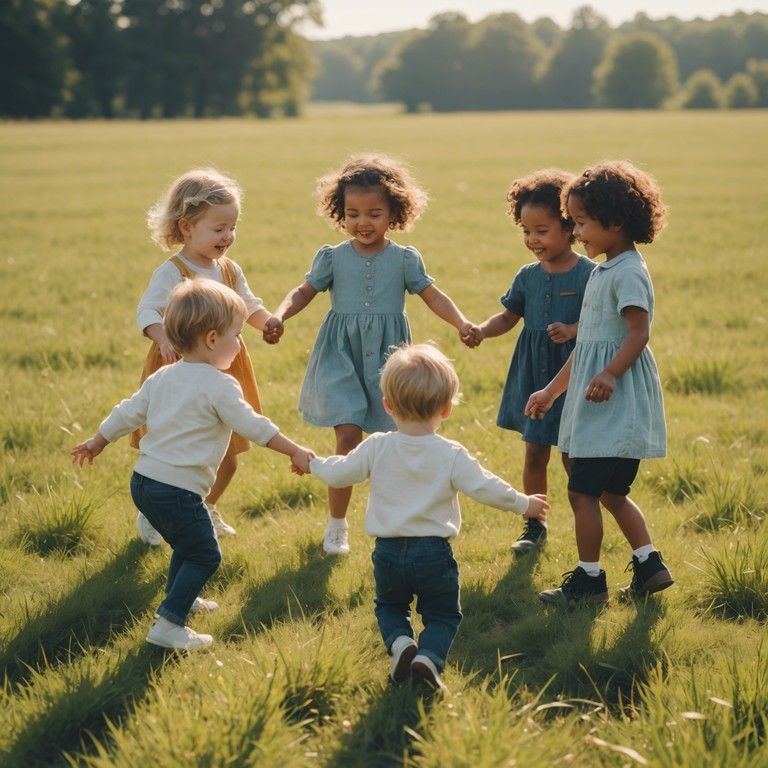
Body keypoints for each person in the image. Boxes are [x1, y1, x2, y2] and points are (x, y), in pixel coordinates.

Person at [71, 279, 313, 651]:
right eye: (237, 334)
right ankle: (169, 625)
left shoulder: (163, 376)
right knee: (205, 552)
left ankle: (180, 596)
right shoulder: (221, 385)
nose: (240, 343)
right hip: (177, 491)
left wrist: (97, 441)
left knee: (186, 545)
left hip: (144, 483)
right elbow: (255, 427)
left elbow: (128, 412)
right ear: (213, 339)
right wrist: (295, 449)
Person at [264, 154, 478, 556]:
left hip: (388, 362)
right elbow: (303, 291)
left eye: (375, 213)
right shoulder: (331, 257)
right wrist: (279, 315)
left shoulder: (404, 259)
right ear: (339, 213)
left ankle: (401, 524)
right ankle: (337, 525)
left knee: (391, 444)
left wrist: (462, 323)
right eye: (353, 213)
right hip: (340, 356)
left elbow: (433, 295)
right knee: (347, 436)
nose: (363, 222)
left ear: (394, 213)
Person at [307, 343, 549, 691]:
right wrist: (523, 503)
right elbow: (485, 487)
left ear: (387, 405)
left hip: (388, 553)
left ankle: (402, 644)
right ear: (447, 408)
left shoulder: (377, 445)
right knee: (443, 614)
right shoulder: (450, 453)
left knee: (390, 606)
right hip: (434, 554)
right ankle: (428, 657)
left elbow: (340, 473)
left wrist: (312, 463)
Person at [525, 160, 673, 605]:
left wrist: (611, 373)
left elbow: (638, 333)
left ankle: (589, 582)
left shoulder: (627, 271)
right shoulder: (606, 270)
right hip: (598, 401)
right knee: (610, 491)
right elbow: (587, 347)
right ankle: (649, 565)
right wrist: (551, 391)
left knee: (582, 493)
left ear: (616, 222)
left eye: (584, 223)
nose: (578, 232)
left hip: (613, 403)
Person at [131, 167, 277, 543]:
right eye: (218, 229)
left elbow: (248, 304)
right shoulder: (173, 273)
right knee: (176, 450)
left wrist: (267, 323)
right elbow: (147, 312)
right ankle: (155, 515)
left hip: (226, 368)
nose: (227, 236)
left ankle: (204, 508)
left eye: (232, 227)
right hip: (178, 368)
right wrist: (163, 337)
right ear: (186, 227)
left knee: (228, 452)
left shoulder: (229, 270)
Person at [467, 169, 595, 555]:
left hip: (571, 375)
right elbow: (509, 316)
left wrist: (573, 329)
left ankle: (585, 521)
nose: (532, 240)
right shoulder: (527, 276)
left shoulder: (590, 273)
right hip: (534, 374)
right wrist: (482, 330)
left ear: (569, 226)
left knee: (574, 455)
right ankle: (534, 523)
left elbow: (602, 323)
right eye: (526, 231)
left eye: (542, 230)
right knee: (535, 451)